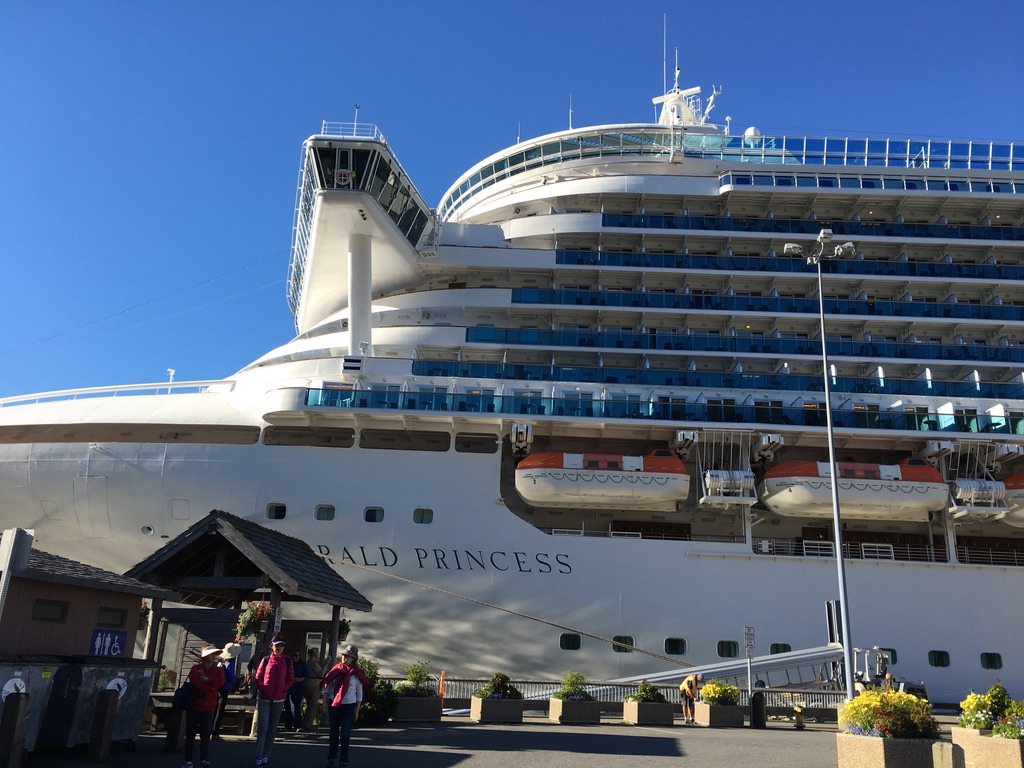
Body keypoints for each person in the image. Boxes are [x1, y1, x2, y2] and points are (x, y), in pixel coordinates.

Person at [321, 644, 372, 768]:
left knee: (345, 734)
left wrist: (357, 710)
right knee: (333, 733)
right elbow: (328, 687)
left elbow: (359, 693)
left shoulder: (356, 674)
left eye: (348, 656)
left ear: (353, 659)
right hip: (334, 704)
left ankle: (343, 760)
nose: (345, 658)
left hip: (349, 705)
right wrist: (325, 702)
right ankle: (332, 759)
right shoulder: (336, 670)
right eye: (344, 655)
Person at [253, 636, 294, 767]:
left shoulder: (287, 661)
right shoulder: (266, 660)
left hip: (278, 699)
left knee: (271, 729)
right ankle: (258, 756)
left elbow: (290, 678)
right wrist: (263, 688)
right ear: (272, 646)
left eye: (282, 645)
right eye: (277, 645)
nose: (279, 648)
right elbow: (258, 677)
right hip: (264, 698)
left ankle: (265, 756)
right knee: (263, 727)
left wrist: (284, 690)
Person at [183, 644, 226, 768]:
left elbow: (220, 683)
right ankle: (188, 761)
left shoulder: (218, 669)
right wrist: (210, 687)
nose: (213, 656)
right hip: (194, 705)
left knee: (205, 735)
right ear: (204, 656)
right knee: (190, 734)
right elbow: (195, 681)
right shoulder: (196, 668)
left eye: (214, 654)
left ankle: (204, 760)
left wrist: (207, 680)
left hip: (209, 706)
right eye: (211, 654)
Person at [212, 642, 242, 739]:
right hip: (225, 688)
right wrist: (236, 680)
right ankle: (215, 732)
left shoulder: (220, 663)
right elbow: (231, 678)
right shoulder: (230, 664)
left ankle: (211, 730)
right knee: (220, 710)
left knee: (214, 709)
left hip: (217, 687)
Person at [282, 650, 308, 731]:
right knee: (287, 707)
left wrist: (299, 679)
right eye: (293, 655)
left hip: (298, 688)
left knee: (295, 707)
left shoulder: (303, 665)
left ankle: (298, 725)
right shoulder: (289, 664)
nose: (294, 657)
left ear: (299, 656)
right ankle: (288, 726)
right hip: (288, 687)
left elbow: (306, 676)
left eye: (296, 655)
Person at [302, 648, 325, 730]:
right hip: (314, 685)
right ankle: (307, 723)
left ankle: (306, 722)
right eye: (318, 652)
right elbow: (321, 673)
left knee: (310, 704)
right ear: (315, 654)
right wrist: (327, 663)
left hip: (308, 684)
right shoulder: (313, 663)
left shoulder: (308, 662)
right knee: (312, 705)